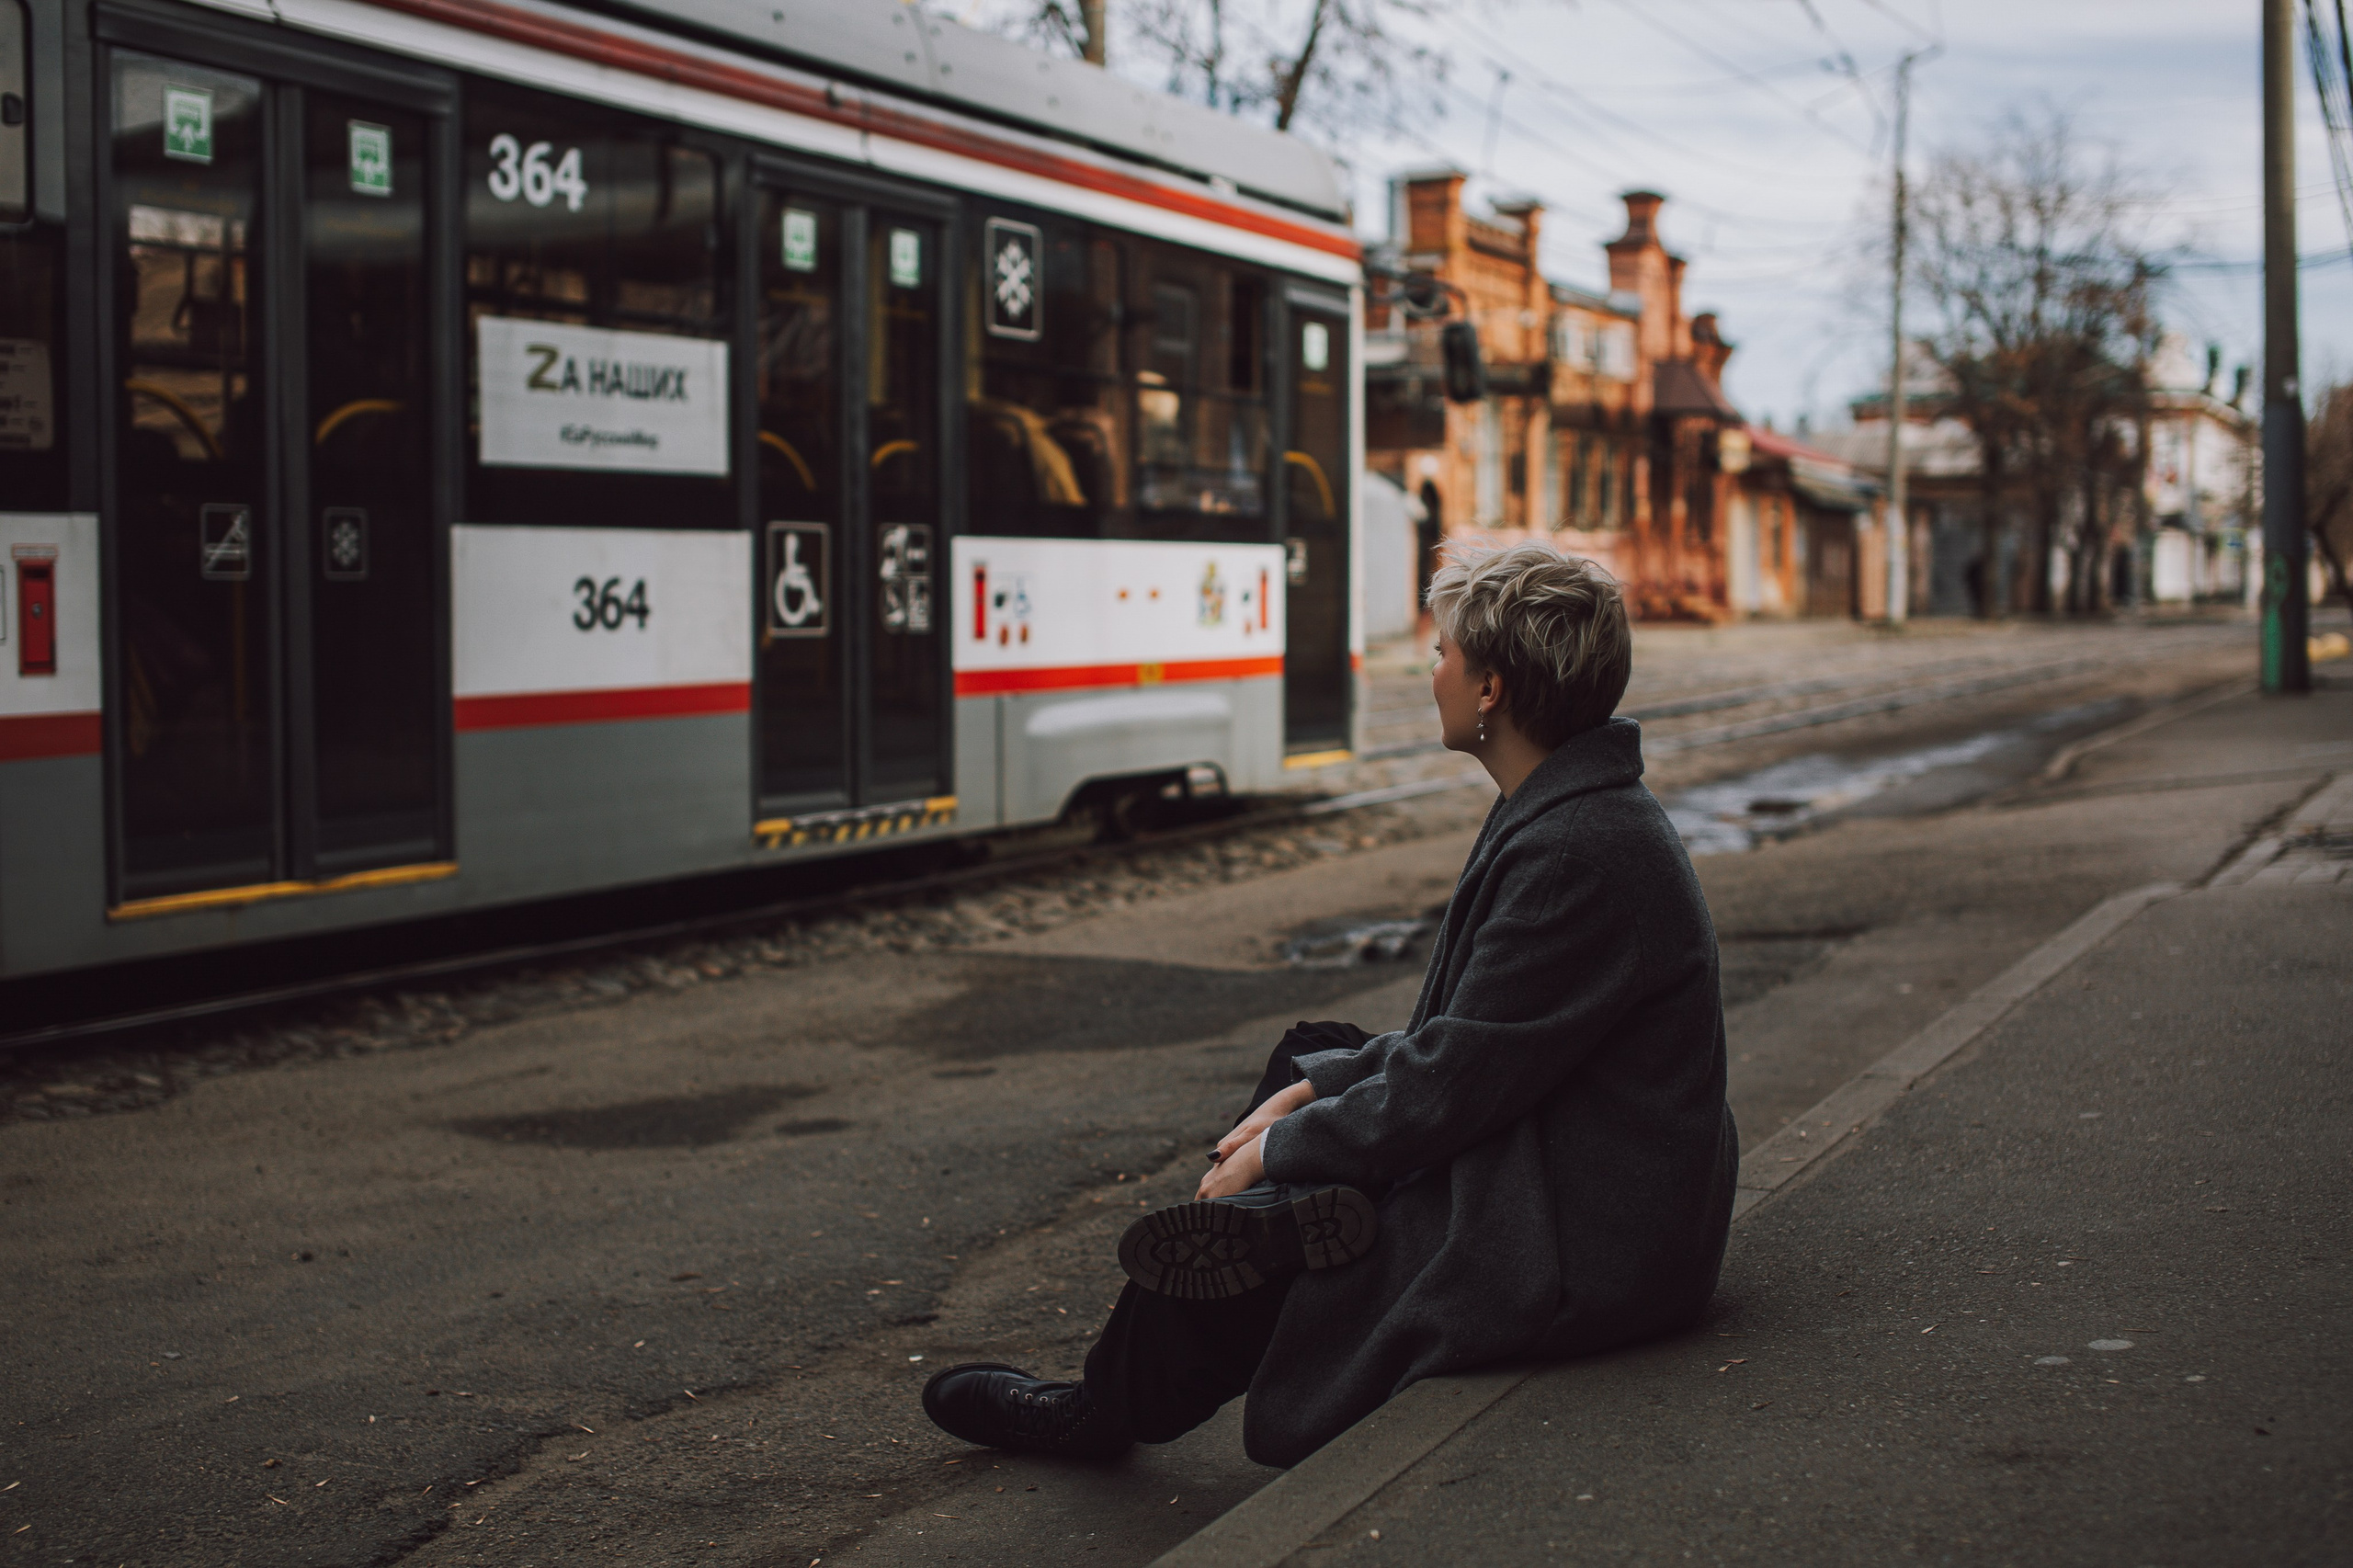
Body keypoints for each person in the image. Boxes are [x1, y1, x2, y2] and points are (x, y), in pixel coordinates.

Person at [923, 540, 1737, 1469]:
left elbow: (1450, 1085)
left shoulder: (1573, 851)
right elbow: (1473, 1044)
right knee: (1312, 1055)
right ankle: (1273, 1219)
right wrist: (1309, 1096)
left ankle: (1109, 1401)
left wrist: (1281, 1143)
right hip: (1587, 1157)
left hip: (1594, 1237)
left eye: (1442, 653)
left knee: (1288, 1195)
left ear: (1490, 690)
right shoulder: (1569, 807)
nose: (1430, 671)